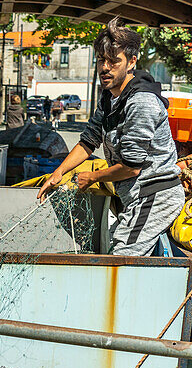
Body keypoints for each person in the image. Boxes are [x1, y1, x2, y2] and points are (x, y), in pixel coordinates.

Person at [36, 17, 183, 257]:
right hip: (134, 196)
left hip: (155, 195)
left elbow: (132, 167)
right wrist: (58, 173)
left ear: (131, 62)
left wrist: (92, 177)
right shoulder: (109, 98)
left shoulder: (141, 102)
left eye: (114, 61)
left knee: (124, 255)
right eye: (101, 60)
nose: (105, 68)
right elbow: (88, 141)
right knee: (120, 247)